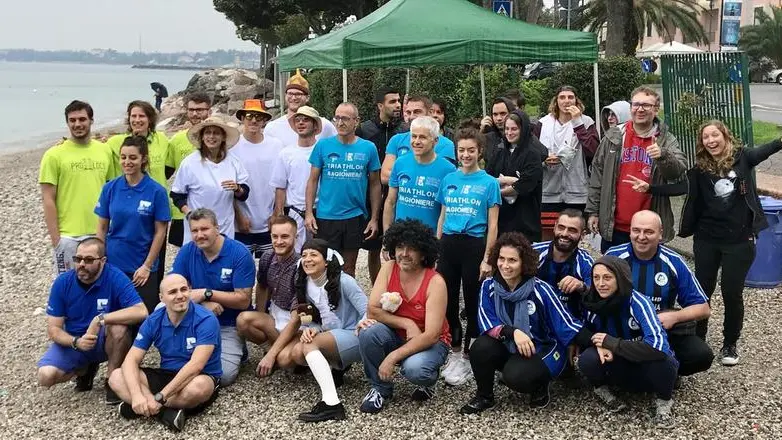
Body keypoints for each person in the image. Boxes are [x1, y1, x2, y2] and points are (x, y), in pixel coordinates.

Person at [679, 121, 782, 366]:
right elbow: (680, 188)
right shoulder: (699, 169)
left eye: (715, 135)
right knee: (702, 291)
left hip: (739, 240)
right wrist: (650, 188)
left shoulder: (743, 158)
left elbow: (765, 150)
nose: (711, 140)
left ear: (725, 136)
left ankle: (730, 343)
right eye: (706, 137)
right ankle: (698, 338)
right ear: (701, 142)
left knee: (731, 293)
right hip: (706, 239)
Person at [460, 232, 585, 414]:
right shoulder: (489, 287)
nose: (505, 265)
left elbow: (568, 325)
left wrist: (604, 343)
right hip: (511, 343)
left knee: (516, 377)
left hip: (542, 348)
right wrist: (513, 333)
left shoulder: (540, 290)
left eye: (512, 260)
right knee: (480, 347)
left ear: (524, 262)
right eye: (501, 258)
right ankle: (484, 396)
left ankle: (540, 385)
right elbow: (486, 323)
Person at [256, 239, 367, 423]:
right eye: (305, 255)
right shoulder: (306, 284)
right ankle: (335, 369)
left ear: (327, 261)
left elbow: (367, 310)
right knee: (297, 352)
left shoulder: (344, 281)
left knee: (310, 346)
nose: (307, 259)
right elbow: (313, 319)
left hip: (354, 334)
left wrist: (361, 327)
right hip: (331, 336)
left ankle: (332, 403)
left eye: (314, 255)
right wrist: (311, 329)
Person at [37, 238, 148, 404]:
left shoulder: (115, 277)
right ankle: (83, 370)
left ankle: (112, 379)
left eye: (88, 260)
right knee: (45, 376)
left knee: (119, 328)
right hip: (77, 340)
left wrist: (100, 319)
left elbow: (141, 311)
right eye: (78, 259)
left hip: (105, 338)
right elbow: (54, 329)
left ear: (102, 261)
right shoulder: (62, 283)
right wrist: (76, 342)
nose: (81, 264)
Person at [356, 219, 450, 414]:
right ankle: (380, 388)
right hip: (396, 334)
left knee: (415, 370)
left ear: (424, 252)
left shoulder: (435, 282)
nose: (404, 254)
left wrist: (392, 357)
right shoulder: (389, 268)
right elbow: (373, 310)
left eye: (412, 248)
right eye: (399, 246)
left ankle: (428, 381)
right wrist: (407, 323)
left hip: (430, 342)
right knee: (368, 331)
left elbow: (432, 334)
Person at [605, 210, 713, 377]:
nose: (641, 237)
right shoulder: (614, 257)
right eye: (636, 230)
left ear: (660, 233)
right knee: (592, 360)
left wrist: (674, 317)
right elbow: (593, 297)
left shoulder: (673, 261)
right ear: (630, 230)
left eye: (649, 231)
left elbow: (703, 308)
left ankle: (669, 372)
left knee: (701, 356)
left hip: (658, 332)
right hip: (621, 332)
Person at [575, 256, 679, 429]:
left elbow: (658, 346)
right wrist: (599, 343)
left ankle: (663, 401)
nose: (600, 283)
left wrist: (613, 344)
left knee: (666, 362)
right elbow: (585, 331)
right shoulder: (592, 302)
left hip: (643, 364)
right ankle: (603, 390)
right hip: (617, 364)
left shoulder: (638, 302)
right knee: (586, 359)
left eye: (607, 277)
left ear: (621, 278)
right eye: (596, 278)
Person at [108, 274, 221, 432]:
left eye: (184, 289)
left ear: (190, 291)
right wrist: (136, 395)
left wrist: (161, 397)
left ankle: (144, 409)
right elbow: (131, 360)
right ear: (162, 298)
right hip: (166, 374)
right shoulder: (154, 320)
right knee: (116, 377)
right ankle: (165, 413)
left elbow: (196, 366)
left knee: (199, 388)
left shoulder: (206, 319)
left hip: (198, 375)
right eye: (173, 292)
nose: (180, 296)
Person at [436, 122, 501, 386]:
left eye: (471, 150)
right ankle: (454, 350)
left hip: (474, 243)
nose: (465, 155)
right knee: (447, 299)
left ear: (480, 152)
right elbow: (442, 215)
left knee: (473, 299)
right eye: (461, 150)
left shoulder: (488, 183)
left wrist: (488, 258)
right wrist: (436, 248)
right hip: (449, 243)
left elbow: (493, 224)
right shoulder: (449, 179)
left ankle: (470, 353)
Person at [586, 86, 687, 252]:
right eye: (636, 104)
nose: (640, 109)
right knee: (614, 274)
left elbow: (678, 172)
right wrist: (593, 212)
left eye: (646, 105)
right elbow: (597, 175)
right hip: (615, 225)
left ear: (656, 110)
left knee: (645, 275)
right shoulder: (614, 136)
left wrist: (663, 156)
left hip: (648, 229)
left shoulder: (665, 139)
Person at [170, 208, 256, 386]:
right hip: (197, 319)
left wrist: (205, 293)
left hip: (227, 324)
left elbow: (243, 300)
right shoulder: (187, 252)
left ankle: (235, 349)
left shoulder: (239, 253)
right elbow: (171, 290)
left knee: (224, 376)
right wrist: (203, 305)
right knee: (161, 308)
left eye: (204, 229)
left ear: (217, 228)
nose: (199, 235)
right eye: (194, 230)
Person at [305, 102, 382, 277]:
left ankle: (345, 303)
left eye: (345, 118)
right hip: (326, 216)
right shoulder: (323, 146)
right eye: (337, 118)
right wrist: (309, 212)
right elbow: (312, 180)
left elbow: (375, 184)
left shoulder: (368, 148)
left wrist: (374, 218)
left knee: (348, 268)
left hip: (354, 216)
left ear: (356, 121)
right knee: (325, 266)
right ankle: (325, 303)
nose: (340, 123)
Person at [95, 136, 171, 313]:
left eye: (132, 157)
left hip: (142, 266)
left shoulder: (156, 191)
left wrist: (147, 266)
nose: (127, 162)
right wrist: (99, 259)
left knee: (144, 316)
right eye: (123, 157)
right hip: (114, 263)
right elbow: (102, 227)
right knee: (113, 314)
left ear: (143, 159)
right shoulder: (110, 188)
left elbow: (160, 232)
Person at [40, 100, 113, 275]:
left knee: (100, 285)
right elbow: (48, 199)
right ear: (67, 123)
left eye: (82, 119)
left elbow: (111, 191)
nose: (77, 124)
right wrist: (56, 239)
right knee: (68, 287)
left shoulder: (105, 151)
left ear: (91, 121)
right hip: (68, 236)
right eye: (72, 120)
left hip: (99, 233)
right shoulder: (53, 155)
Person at [105, 100, 172, 282]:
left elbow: (169, 168)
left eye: (141, 115)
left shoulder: (162, 140)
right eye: (133, 116)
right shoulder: (116, 142)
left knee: (156, 261)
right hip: (128, 206)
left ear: (150, 119)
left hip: (156, 205)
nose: (137, 120)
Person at [170, 116, 249, 245]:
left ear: (223, 137)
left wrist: (237, 188)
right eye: (208, 132)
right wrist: (189, 213)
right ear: (202, 137)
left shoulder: (233, 161)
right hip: (197, 229)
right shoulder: (190, 163)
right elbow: (177, 195)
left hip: (224, 226)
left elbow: (244, 194)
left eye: (216, 133)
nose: (211, 137)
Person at [356, 88, 404, 284]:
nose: (398, 105)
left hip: (398, 193)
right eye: (392, 101)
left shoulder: (404, 131)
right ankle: (377, 286)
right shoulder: (365, 130)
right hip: (372, 193)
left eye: (399, 101)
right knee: (373, 245)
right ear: (380, 106)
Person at [230, 99, 285, 257]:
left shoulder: (276, 145)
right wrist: (238, 216)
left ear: (265, 120)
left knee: (269, 271)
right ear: (242, 119)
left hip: (269, 221)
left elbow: (282, 182)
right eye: (249, 116)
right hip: (240, 223)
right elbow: (229, 186)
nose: (254, 120)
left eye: (258, 116)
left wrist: (277, 213)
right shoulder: (232, 146)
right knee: (241, 269)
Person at [532, 86, 599, 215]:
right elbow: (532, 153)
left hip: (578, 193)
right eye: (562, 97)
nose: (566, 101)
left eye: (570, 97)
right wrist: (544, 159)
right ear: (556, 101)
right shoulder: (543, 123)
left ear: (576, 101)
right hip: (548, 192)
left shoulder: (587, 122)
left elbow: (594, 151)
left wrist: (578, 123)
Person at [383, 116, 456, 233]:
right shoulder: (400, 163)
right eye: (414, 136)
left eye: (422, 137)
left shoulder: (448, 170)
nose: (416, 141)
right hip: (401, 235)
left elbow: (446, 211)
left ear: (435, 141)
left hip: (429, 239)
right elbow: (390, 202)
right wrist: (387, 238)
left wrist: (439, 242)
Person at [236, 216, 300, 349]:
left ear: (296, 237)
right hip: (274, 312)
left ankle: (279, 354)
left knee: (286, 361)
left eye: (285, 236)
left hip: (295, 319)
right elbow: (262, 285)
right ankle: (271, 350)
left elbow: (298, 315)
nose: (279, 241)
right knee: (243, 321)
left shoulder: (301, 266)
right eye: (275, 236)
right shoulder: (267, 257)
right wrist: (261, 313)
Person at [485, 110, 544, 241]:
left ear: (523, 129)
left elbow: (526, 184)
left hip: (525, 221)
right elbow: (488, 179)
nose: (509, 133)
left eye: (514, 129)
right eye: (507, 129)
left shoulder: (532, 154)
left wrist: (505, 181)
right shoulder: (499, 153)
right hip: (502, 221)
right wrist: (513, 180)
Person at [271, 106, 322, 252]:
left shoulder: (323, 149)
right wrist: (279, 214)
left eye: (306, 120)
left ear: (315, 125)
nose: (301, 123)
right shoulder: (286, 153)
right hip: (295, 212)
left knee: (319, 254)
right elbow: (280, 186)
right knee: (296, 255)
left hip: (321, 210)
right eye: (298, 120)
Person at [167, 93, 212, 247]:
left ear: (209, 111)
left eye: (200, 110)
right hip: (183, 210)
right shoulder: (177, 140)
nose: (195, 114)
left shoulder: (218, 138)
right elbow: (166, 172)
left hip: (214, 208)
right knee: (186, 254)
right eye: (191, 110)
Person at [380, 95, 456, 185]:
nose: (411, 117)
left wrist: (403, 177)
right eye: (408, 112)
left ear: (430, 113)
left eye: (417, 112)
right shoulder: (396, 140)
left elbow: (440, 178)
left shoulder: (445, 144)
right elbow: (385, 177)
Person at [531, 209, 593, 317]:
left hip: (570, 323)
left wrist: (581, 286)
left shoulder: (586, 262)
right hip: (533, 318)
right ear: (554, 227)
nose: (564, 234)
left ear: (582, 235)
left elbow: (596, 293)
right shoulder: (533, 253)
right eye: (561, 227)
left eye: (572, 230)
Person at [264, 69, 337, 146]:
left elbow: (337, 147)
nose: (294, 98)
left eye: (298, 94)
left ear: (307, 97)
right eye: (290, 93)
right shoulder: (272, 127)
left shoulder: (323, 125)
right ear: (285, 96)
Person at [479, 97, 516, 166]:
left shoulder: (524, 136)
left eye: (503, 114)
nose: (498, 118)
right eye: (495, 114)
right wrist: (481, 130)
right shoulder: (488, 137)